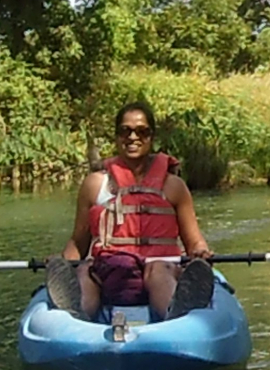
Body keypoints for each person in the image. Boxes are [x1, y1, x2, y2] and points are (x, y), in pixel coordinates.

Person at [45, 101, 215, 322]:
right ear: (116, 136)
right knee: (86, 272)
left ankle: (178, 315)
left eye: (142, 131)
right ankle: (75, 318)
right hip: (109, 270)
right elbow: (79, 242)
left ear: (151, 137)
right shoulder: (94, 184)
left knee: (158, 272)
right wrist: (64, 263)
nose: (133, 137)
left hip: (160, 266)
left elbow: (194, 242)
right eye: (125, 131)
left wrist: (201, 253)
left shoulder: (174, 186)